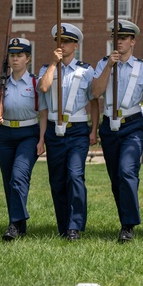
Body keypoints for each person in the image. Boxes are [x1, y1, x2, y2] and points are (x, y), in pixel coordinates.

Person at [92, 20, 143, 243]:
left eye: (123, 38)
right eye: (116, 37)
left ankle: (128, 225)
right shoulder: (103, 64)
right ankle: (124, 220)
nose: (118, 41)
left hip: (133, 125)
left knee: (127, 171)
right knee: (116, 178)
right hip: (109, 125)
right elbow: (96, 92)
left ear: (132, 41)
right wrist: (109, 66)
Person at [37, 23, 97, 241]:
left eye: (67, 41)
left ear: (76, 45)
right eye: (59, 41)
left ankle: (75, 225)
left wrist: (94, 129)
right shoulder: (46, 70)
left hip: (78, 130)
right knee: (57, 180)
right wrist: (54, 64)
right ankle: (63, 226)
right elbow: (43, 89)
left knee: (75, 175)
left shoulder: (86, 70)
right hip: (54, 130)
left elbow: (94, 101)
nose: (62, 45)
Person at [0, 38, 47, 241]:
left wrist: (42, 139)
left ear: (27, 58)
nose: (15, 59)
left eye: (19, 55)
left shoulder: (35, 83)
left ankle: (13, 225)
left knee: (18, 177)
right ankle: (19, 224)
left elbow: (44, 113)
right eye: (12, 55)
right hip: (4, 136)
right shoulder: (2, 83)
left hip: (28, 134)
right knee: (9, 182)